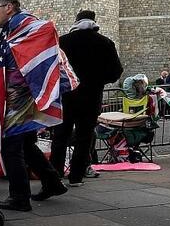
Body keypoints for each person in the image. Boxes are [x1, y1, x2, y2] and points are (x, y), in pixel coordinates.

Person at [0, 0, 76, 211]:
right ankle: (52, 182)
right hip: (20, 94)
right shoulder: (14, 30)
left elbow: (44, 39)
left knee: (10, 147)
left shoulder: (27, 26)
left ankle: (19, 197)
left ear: (9, 7)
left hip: (21, 96)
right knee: (25, 144)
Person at [50, 10, 123, 188]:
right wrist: (98, 81)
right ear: (94, 22)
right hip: (91, 97)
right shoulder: (105, 42)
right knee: (84, 138)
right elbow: (116, 71)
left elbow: (52, 68)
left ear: (76, 21)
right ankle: (76, 177)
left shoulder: (63, 41)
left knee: (60, 136)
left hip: (67, 96)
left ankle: (55, 175)